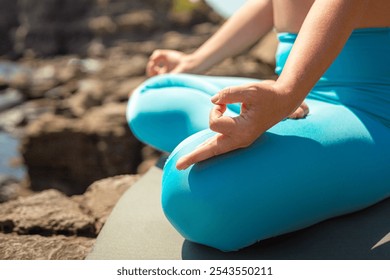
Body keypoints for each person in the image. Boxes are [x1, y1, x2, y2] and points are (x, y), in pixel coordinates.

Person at [127, 0, 390, 251]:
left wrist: (288, 93)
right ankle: (252, 135)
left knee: (193, 193)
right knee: (152, 94)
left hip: (369, 111)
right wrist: (195, 61)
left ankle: (258, 139)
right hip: (297, 89)